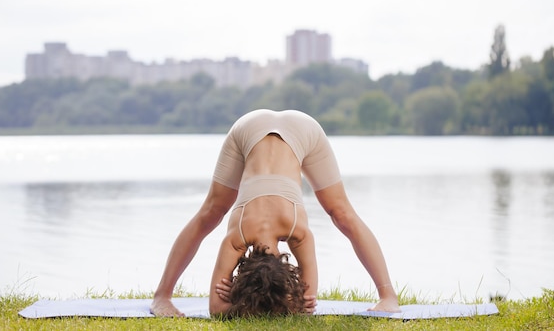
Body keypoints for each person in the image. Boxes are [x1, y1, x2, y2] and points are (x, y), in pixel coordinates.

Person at [151, 109, 400, 317]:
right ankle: (161, 296)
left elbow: (218, 310)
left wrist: (246, 305)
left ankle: (388, 296)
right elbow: (305, 306)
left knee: (341, 212)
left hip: (298, 132)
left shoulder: (245, 237)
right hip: (251, 131)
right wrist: (284, 302)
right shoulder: (285, 233)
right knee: (212, 212)